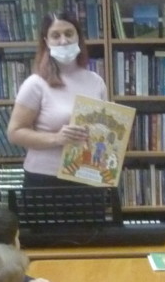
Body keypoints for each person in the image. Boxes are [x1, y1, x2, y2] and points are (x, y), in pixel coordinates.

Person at [6, 11, 107, 187]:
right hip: (45, 179)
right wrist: (57, 138)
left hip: (88, 175)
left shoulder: (95, 81)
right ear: (46, 41)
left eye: (69, 33)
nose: (64, 41)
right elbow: (14, 133)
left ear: (78, 37)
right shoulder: (36, 83)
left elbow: (104, 129)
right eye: (56, 36)